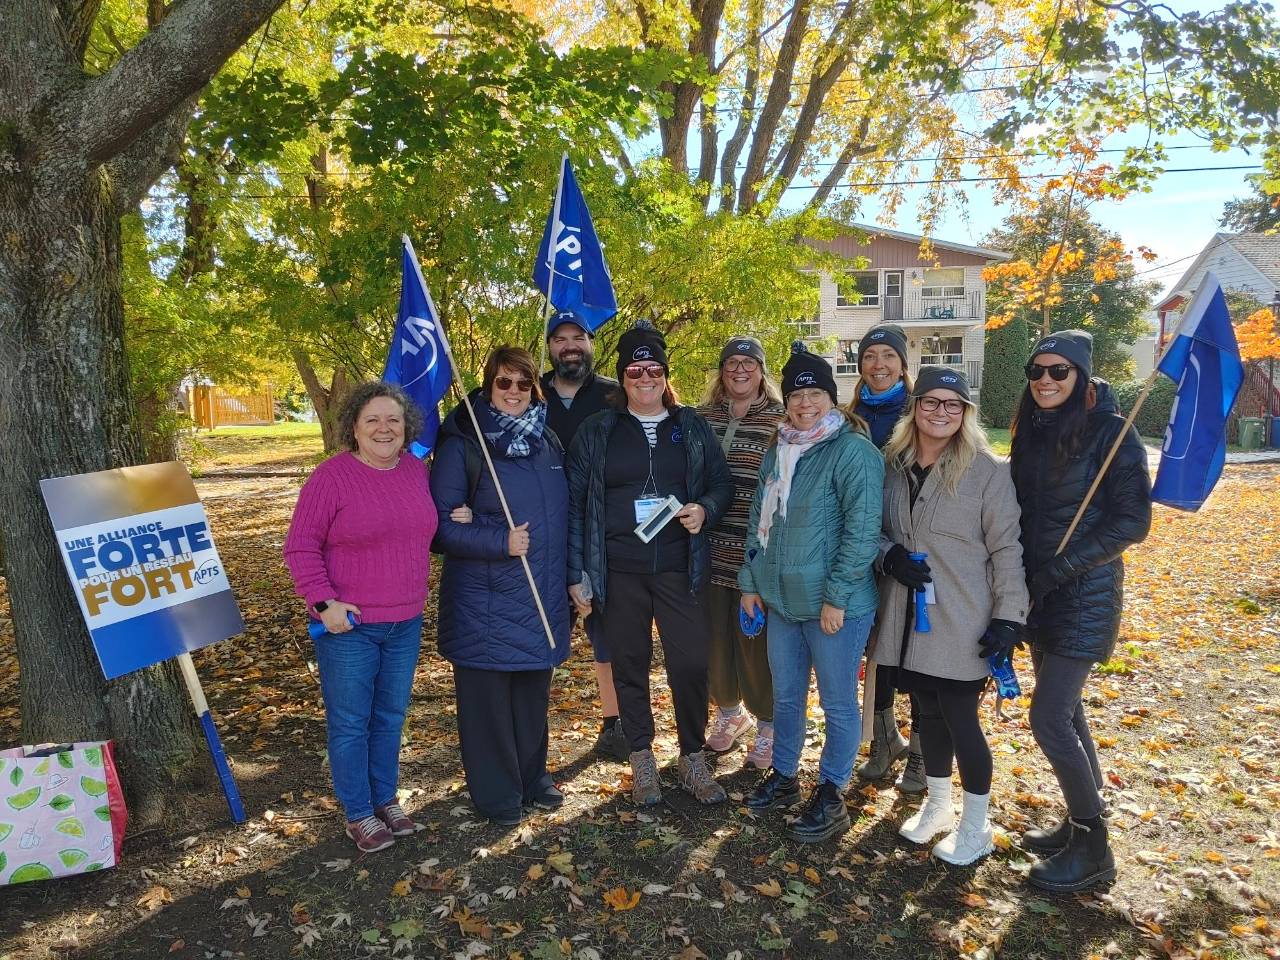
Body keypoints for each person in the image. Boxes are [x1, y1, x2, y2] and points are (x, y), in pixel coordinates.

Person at [566, 321, 734, 807]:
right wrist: (579, 572)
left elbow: (721, 484)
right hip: (618, 569)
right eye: (635, 370)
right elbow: (576, 504)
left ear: (665, 373)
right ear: (622, 376)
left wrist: (705, 510)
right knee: (630, 663)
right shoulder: (598, 430)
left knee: (690, 662)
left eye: (654, 369)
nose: (645, 378)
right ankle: (641, 757)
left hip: (680, 568)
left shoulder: (692, 426)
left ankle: (692, 757)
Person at [1010, 330, 1152, 892]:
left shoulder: (1112, 435)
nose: (1045, 380)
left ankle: (1094, 848)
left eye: (1058, 371)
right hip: (1038, 595)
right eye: (1037, 370)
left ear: (1082, 378)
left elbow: (1132, 522)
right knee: (1068, 715)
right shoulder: (1032, 434)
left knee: (1047, 718)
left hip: (1083, 597)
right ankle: (1080, 822)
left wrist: (1062, 570)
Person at [872, 367, 1028, 865]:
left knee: (962, 718)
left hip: (965, 617)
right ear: (915, 408)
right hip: (909, 621)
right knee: (926, 714)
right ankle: (937, 806)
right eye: (931, 402)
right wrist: (888, 555)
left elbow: (1007, 548)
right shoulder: (893, 465)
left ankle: (976, 825)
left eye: (952, 404)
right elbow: (870, 529)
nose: (941, 412)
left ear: (965, 414)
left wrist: (1009, 617)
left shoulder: (986, 471)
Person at [283, 382, 438, 854]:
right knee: (351, 722)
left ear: (406, 426)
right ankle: (358, 812)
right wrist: (323, 602)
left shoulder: (416, 471)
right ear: (354, 427)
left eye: (392, 419)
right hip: (349, 626)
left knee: (390, 717)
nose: (383, 428)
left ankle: (385, 799)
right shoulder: (331, 478)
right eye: (372, 419)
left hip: (405, 620)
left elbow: (424, 529)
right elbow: (300, 546)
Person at [742, 343, 884, 843]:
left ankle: (831, 791)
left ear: (832, 397)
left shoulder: (853, 452)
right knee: (785, 696)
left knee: (839, 703)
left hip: (832, 605)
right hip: (781, 601)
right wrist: (749, 585)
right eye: (797, 395)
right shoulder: (778, 450)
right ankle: (784, 777)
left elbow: (863, 531)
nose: (805, 404)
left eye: (815, 394)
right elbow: (759, 524)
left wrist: (838, 596)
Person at [430, 346, 571, 825]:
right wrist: (497, 539)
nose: (513, 393)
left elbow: (561, 518)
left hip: (541, 594)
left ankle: (534, 778)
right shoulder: (463, 444)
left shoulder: (548, 440)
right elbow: (440, 530)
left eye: (522, 383)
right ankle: (496, 794)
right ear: (489, 386)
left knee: (532, 696)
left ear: (535, 388)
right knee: (488, 704)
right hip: (484, 602)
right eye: (503, 383)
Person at [540, 311, 629, 762]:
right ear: (550, 347)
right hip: (542, 536)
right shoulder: (528, 393)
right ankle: (529, 732)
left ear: (592, 343)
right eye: (560, 339)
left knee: (607, 634)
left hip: (602, 534)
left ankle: (614, 723)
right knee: (540, 634)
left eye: (578, 337)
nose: (569, 346)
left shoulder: (617, 394)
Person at [697, 336, 785, 768]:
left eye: (749, 363)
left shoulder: (780, 419)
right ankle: (730, 714)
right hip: (708, 549)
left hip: (756, 554)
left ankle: (768, 722)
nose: (739, 370)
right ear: (721, 370)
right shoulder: (701, 418)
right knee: (714, 641)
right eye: (731, 362)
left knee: (755, 644)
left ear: (761, 371)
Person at [848, 323, 923, 792]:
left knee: (916, 652)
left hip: (910, 548)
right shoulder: (849, 415)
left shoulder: (920, 411)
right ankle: (883, 736)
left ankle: (920, 751)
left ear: (902, 364)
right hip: (862, 547)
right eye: (870, 356)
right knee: (874, 649)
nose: (879, 364)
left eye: (888, 356)